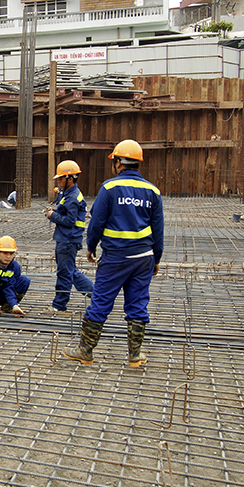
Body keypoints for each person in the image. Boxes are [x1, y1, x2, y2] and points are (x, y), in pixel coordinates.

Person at [64, 140, 163, 367]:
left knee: (100, 302)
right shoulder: (153, 191)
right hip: (143, 258)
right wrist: (156, 258)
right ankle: (135, 356)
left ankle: (86, 350)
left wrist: (91, 246)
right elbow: (159, 230)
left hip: (115, 257)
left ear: (117, 162)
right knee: (138, 304)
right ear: (138, 163)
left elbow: (97, 222)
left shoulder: (109, 188)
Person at [45, 160, 94, 313]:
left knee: (65, 272)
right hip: (67, 239)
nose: (58, 181)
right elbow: (66, 213)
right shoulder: (69, 194)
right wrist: (55, 211)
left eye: (60, 178)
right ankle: (97, 294)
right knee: (71, 271)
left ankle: (59, 305)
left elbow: (69, 221)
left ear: (70, 178)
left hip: (68, 240)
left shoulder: (73, 197)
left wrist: (52, 215)